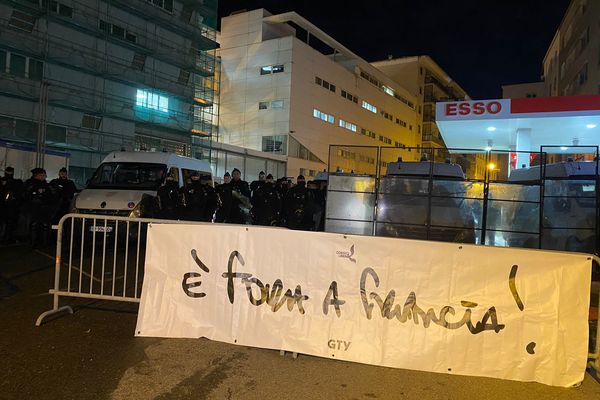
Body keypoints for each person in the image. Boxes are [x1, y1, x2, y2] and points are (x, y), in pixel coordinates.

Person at [23, 168, 57, 247]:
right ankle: (33, 242)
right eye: (42, 175)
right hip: (33, 208)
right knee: (34, 225)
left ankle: (44, 243)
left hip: (45, 208)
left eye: (44, 175)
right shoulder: (30, 183)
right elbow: (26, 194)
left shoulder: (47, 185)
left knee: (45, 225)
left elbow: (53, 195)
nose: (44, 176)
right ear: (37, 175)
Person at [0, 167, 23, 243]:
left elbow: (19, 194)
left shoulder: (15, 182)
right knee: (6, 222)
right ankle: (5, 237)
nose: (9, 174)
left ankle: (8, 237)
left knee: (10, 222)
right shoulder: (3, 181)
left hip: (11, 206)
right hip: (5, 205)